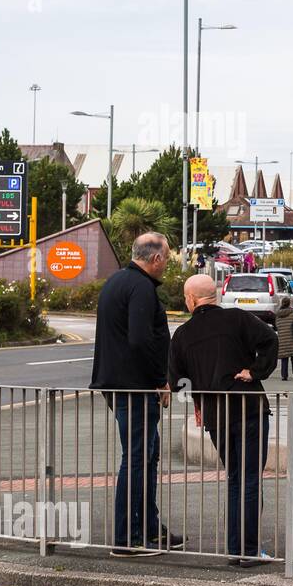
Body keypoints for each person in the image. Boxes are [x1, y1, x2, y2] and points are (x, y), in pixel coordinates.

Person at [168, 275, 278, 565]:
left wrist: (198, 402)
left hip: (216, 415)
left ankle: (236, 549)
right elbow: (270, 339)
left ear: (190, 300)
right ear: (214, 294)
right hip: (248, 407)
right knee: (250, 479)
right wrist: (255, 372)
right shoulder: (238, 319)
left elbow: (178, 380)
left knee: (234, 479)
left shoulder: (183, 334)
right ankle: (249, 550)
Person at [90, 232, 184, 555]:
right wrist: (160, 380)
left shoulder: (117, 282)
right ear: (155, 258)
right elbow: (141, 340)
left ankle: (148, 527)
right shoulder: (141, 288)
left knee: (146, 455)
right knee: (137, 459)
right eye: (167, 258)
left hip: (119, 385)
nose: (167, 263)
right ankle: (125, 538)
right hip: (136, 388)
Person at [275, 296, 293, 381]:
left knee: (284, 358)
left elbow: (276, 326)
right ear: (289, 303)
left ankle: (284, 375)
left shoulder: (278, 314)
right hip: (292, 337)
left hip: (282, 338)